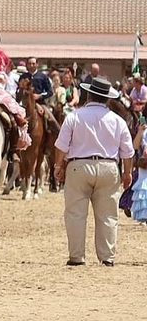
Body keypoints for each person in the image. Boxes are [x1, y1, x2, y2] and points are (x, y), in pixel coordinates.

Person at [54, 77, 133, 267]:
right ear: (107, 98)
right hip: (108, 167)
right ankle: (107, 257)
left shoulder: (74, 116)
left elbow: (62, 145)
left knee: (75, 214)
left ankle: (77, 257)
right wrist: (127, 173)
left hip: (78, 166)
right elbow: (128, 152)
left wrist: (58, 166)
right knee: (108, 215)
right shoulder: (118, 121)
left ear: (89, 94)